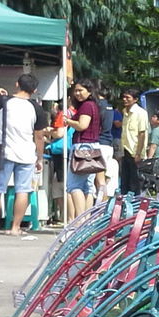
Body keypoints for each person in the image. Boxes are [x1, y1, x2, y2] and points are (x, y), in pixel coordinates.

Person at [0, 73, 49, 237]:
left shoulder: (2, 101)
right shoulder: (37, 108)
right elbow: (39, 136)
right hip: (27, 154)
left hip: (2, 152)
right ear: (34, 90)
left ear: (16, 84)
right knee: (23, 190)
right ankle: (15, 228)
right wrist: (39, 157)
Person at [64, 79, 101, 218]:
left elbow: (82, 125)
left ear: (89, 91)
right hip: (93, 146)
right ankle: (86, 219)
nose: (77, 93)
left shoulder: (86, 106)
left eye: (81, 90)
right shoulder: (94, 106)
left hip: (82, 146)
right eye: (76, 91)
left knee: (74, 185)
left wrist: (68, 121)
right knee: (88, 186)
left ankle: (79, 219)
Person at [118, 88, 148, 194]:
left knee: (135, 182)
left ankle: (135, 205)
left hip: (135, 152)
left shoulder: (141, 113)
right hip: (125, 149)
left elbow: (142, 134)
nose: (125, 99)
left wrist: (138, 153)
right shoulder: (125, 112)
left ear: (135, 99)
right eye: (124, 97)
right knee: (124, 181)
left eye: (128, 97)